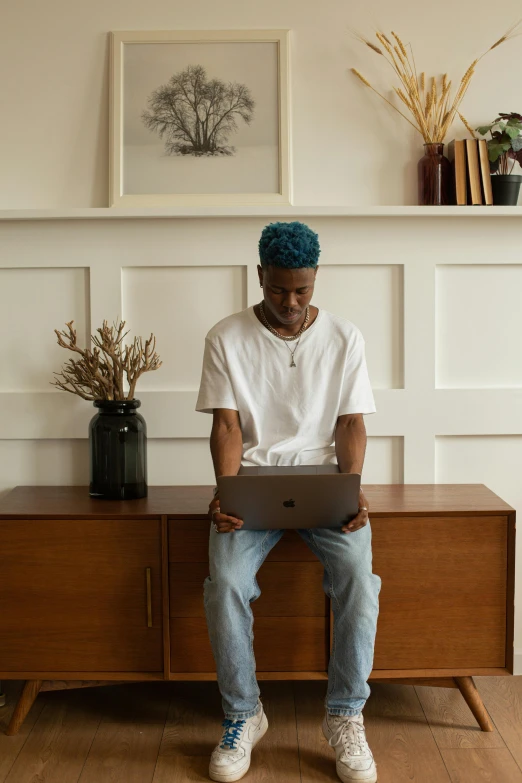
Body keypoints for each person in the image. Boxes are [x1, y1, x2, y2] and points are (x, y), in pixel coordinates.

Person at [195, 220, 381, 783]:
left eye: (301, 290)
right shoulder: (225, 336)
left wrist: (352, 485)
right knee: (225, 582)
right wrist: (226, 492)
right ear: (260, 276)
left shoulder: (345, 337)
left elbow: (351, 421)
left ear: (316, 277)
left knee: (357, 577)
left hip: (325, 478)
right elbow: (226, 426)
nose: (291, 302)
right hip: (253, 481)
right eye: (278, 289)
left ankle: (346, 715)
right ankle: (244, 714)